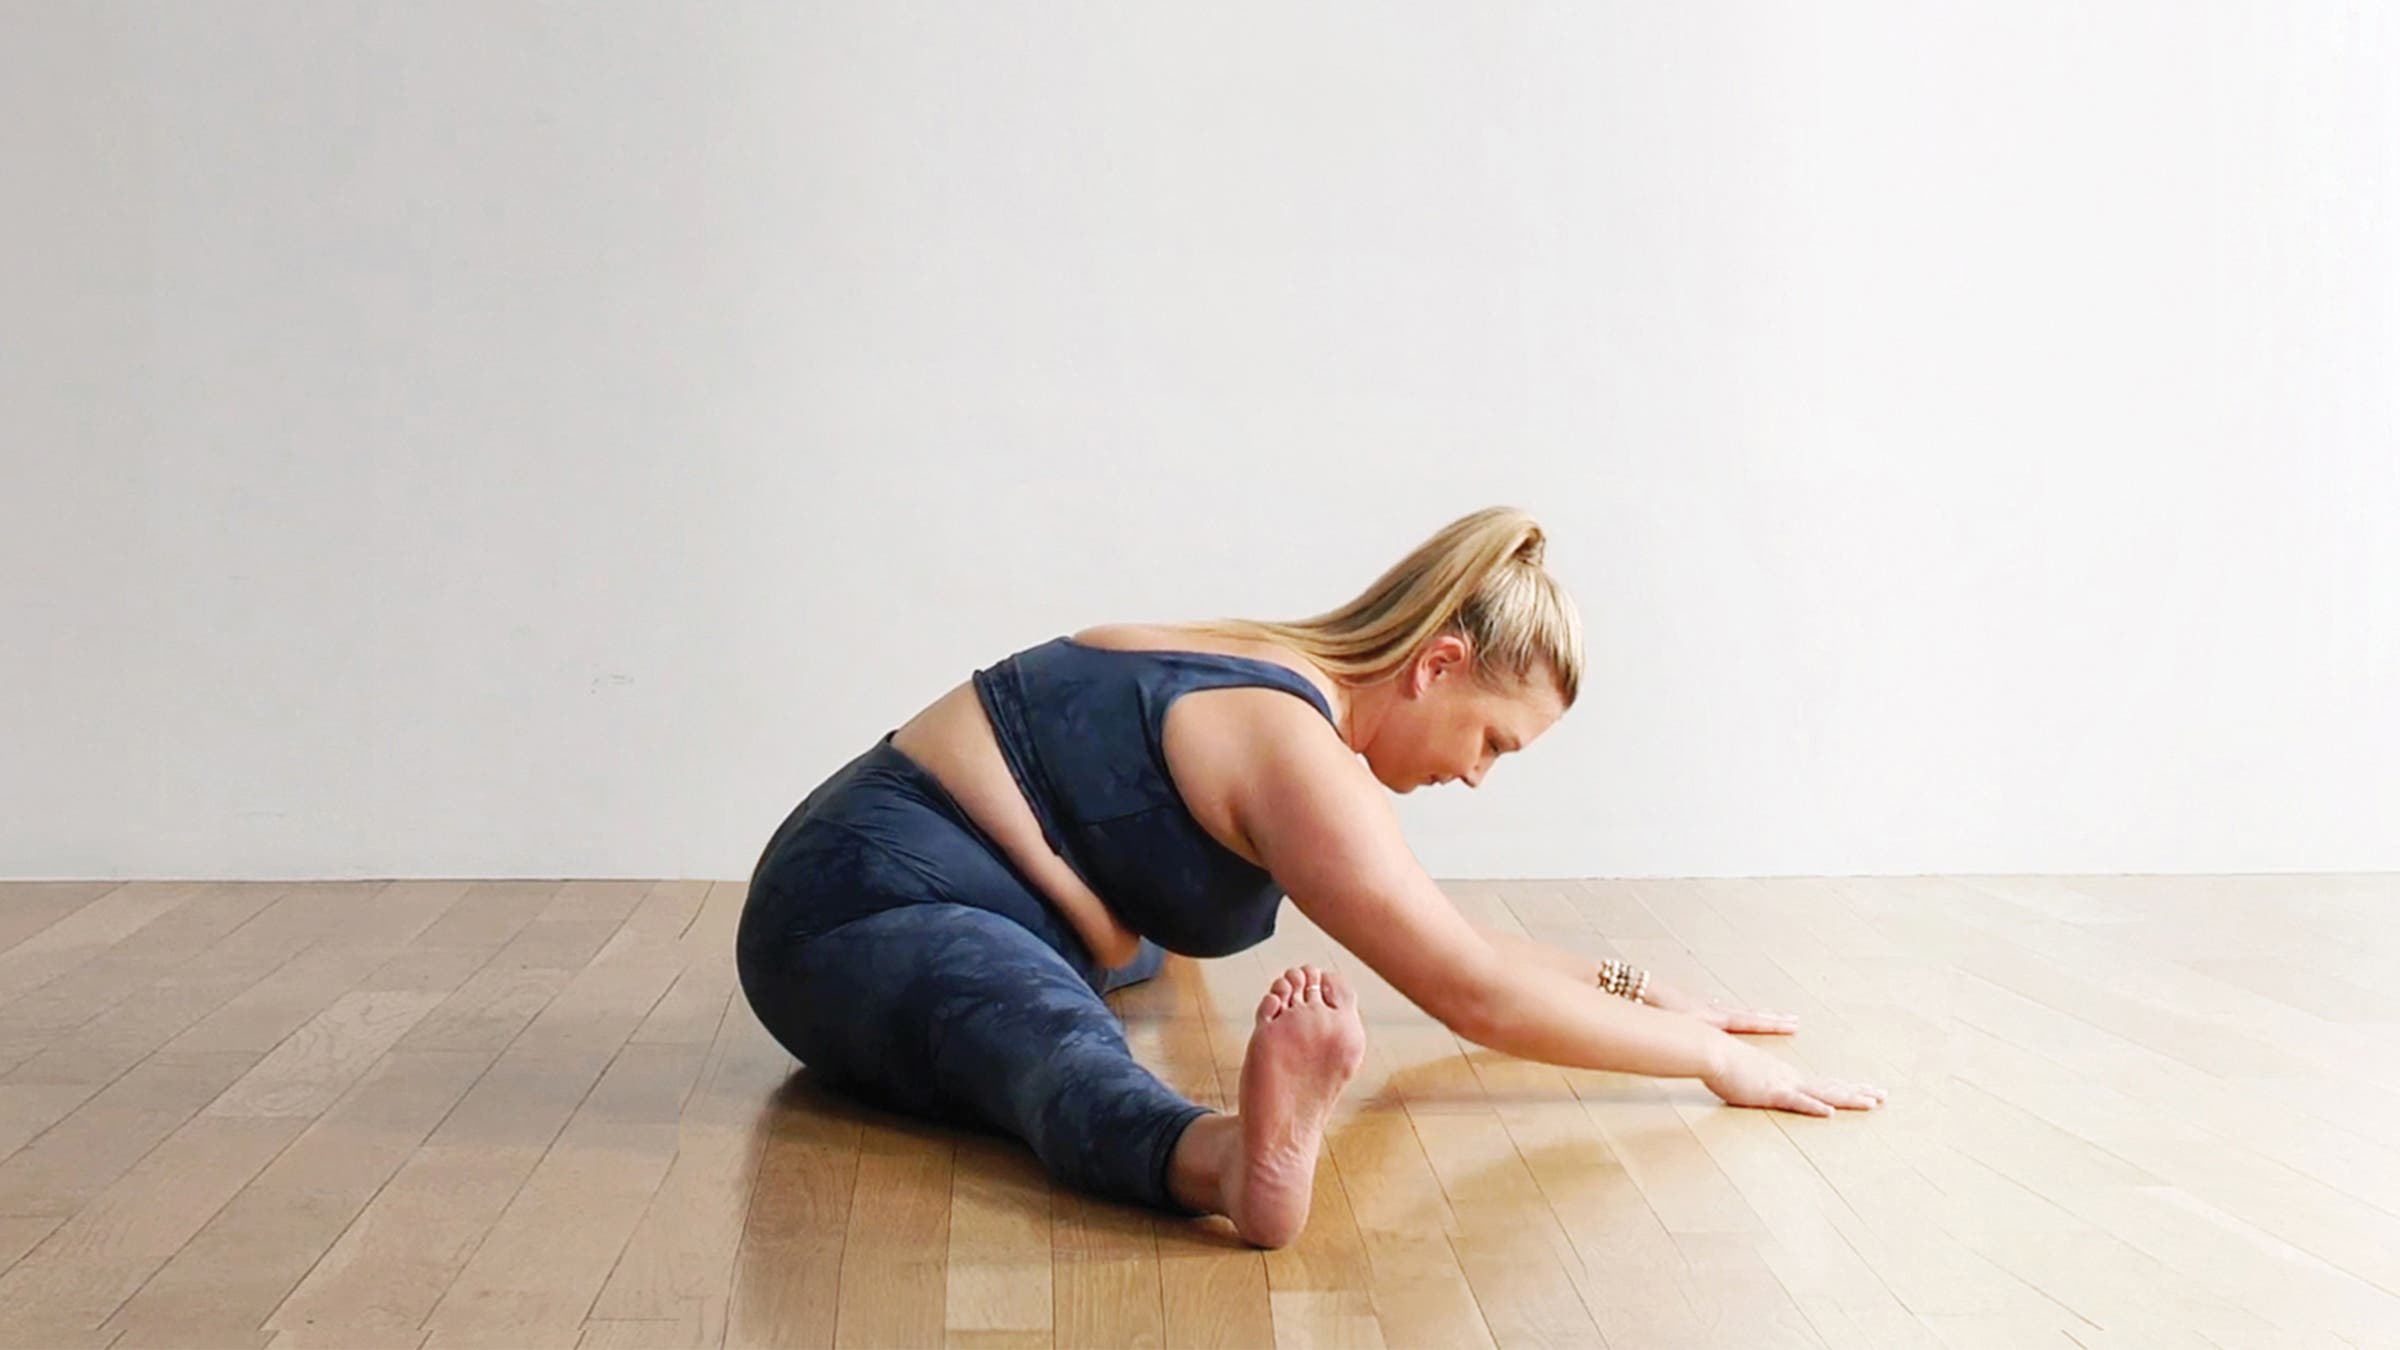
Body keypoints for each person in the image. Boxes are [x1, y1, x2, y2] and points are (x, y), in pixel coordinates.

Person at [735, 505, 1887, 1249]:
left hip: (936, 878)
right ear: (1439, 666)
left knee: (1117, 960)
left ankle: (1093, 962)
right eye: (1493, 743)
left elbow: (1443, 941)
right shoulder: (1294, 747)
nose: (1480, 778)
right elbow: (1469, 991)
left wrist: (1637, 989)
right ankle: (1223, 1156)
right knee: (1050, 1035)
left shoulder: (1263, 666)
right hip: (858, 908)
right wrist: (1710, 1063)